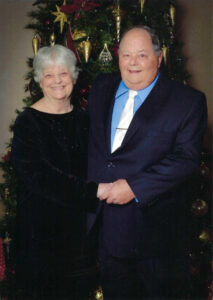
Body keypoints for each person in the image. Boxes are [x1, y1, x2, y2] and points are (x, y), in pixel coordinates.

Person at [87, 26, 207, 299]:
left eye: (141, 55)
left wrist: (135, 187)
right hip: (104, 228)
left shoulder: (187, 101)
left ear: (159, 57)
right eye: (126, 54)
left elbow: (186, 159)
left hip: (154, 236)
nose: (132, 62)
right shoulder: (101, 87)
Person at [11, 44, 102, 299]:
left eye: (63, 73)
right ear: (39, 80)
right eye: (49, 75)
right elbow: (40, 177)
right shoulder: (28, 122)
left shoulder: (85, 119)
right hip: (40, 235)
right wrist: (93, 191)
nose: (57, 81)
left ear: (74, 76)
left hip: (81, 234)